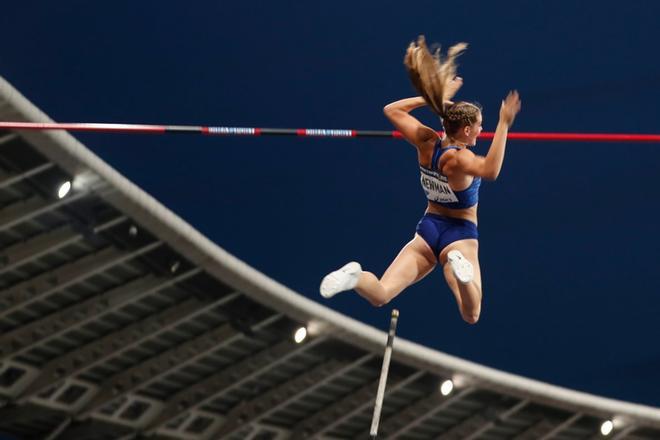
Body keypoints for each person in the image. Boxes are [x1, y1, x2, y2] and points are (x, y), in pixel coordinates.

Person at [320, 36, 521, 324]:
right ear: (465, 130)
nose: (481, 131)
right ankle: (463, 277)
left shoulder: (426, 141)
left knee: (380, 294)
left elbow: (392, 110)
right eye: (478, 127)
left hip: (428, 230)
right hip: (459, 235)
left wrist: (433, 100)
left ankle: (356, 277)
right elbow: (491, 170)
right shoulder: (459, 159)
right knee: (471, 313)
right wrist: (504, 123)